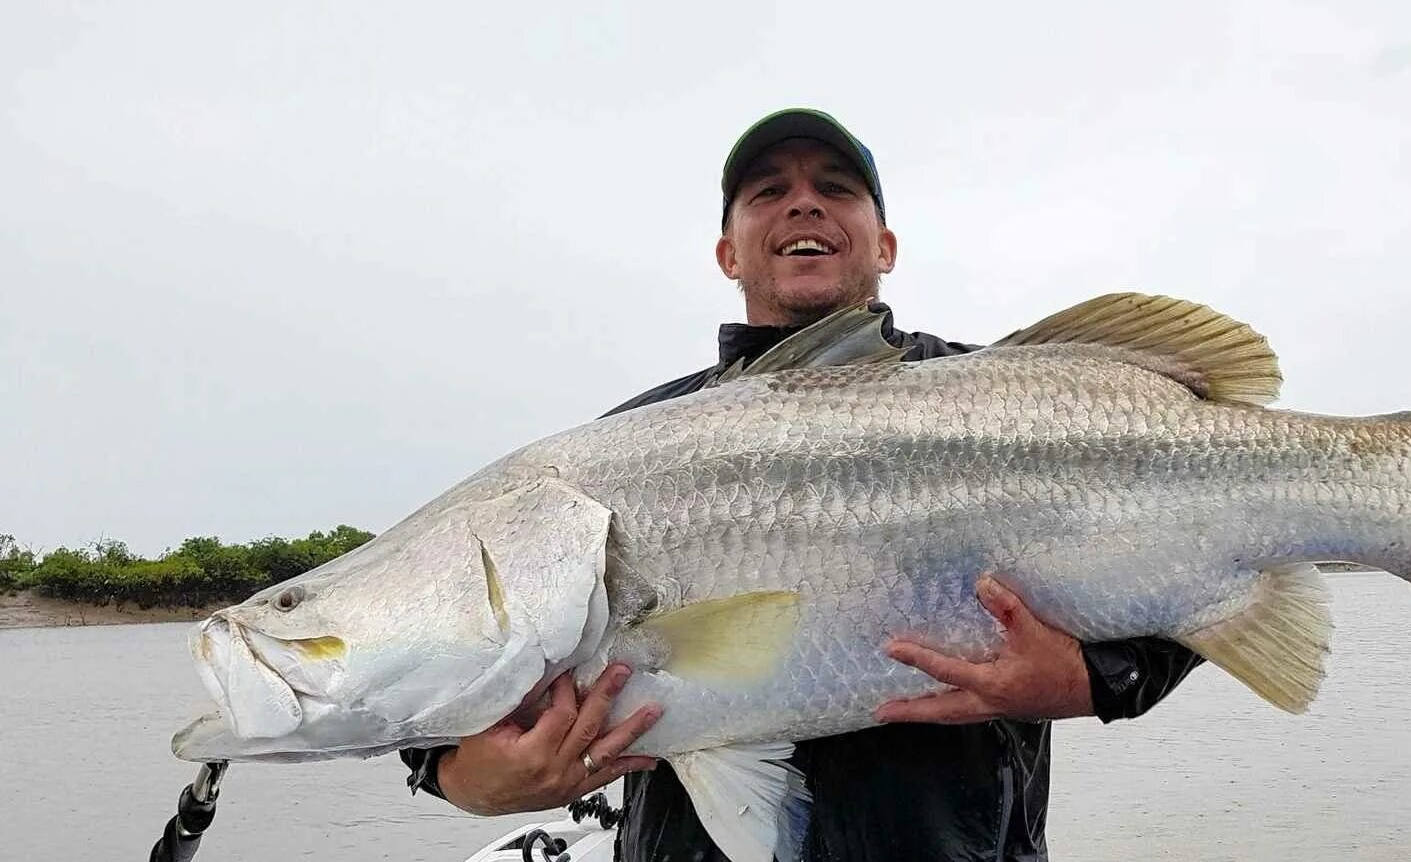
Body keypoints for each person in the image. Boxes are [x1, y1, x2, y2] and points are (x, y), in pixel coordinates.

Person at [400, 109, 1204, 861]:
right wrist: (469, 780)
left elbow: (1229, 551)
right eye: (769, 192)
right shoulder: (626, 446)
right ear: (729, 253)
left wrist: (1091, 679)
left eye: (836, 188)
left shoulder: (1017, 398)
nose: (804, 205)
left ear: (884, 244)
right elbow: (445, 662)